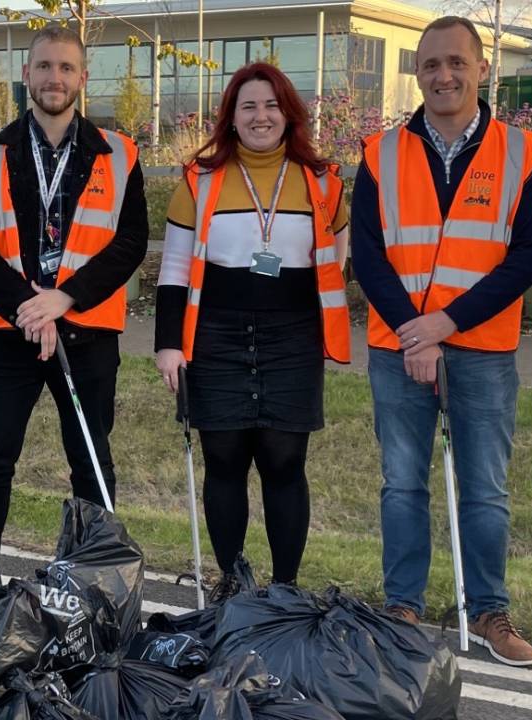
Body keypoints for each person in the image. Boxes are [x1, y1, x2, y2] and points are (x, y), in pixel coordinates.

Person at [350, 16, 532, 667]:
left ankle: (488, 611)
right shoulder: (379, 153)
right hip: (398, 348)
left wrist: (444, 324)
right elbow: (368, 255)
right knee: (401, 483)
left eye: (456, 62)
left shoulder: (523, 152)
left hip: (482, 349)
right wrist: (416, 333)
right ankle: (402, 606)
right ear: (417, 73)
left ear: (482, 69)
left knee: (485, 488)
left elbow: (526, 258)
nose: (444, 75)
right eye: (431, 64)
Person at [154, 62, 351, 601]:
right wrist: (169, 344)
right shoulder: (199, 180)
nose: (261, 116)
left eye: (271, 105)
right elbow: (174, 269)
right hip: (215, 335)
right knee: (224, 460)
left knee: (285, 461)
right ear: (231, 117)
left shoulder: (323, 182)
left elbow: (336, 261)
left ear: (288, 113)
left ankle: (285, 588)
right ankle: (232, 580)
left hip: (293, 336)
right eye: (248, 106)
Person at [0, 25, 148, 554]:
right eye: (43, 66)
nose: (54, 78)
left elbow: (131, 241)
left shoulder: (120, 153)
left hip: (87, 332)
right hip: (7, 330)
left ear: (83, 77)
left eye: (65, 67)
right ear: (27, 74)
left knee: (91, 463)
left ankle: (93, 581)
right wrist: (29, 307)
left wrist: (64, 299)